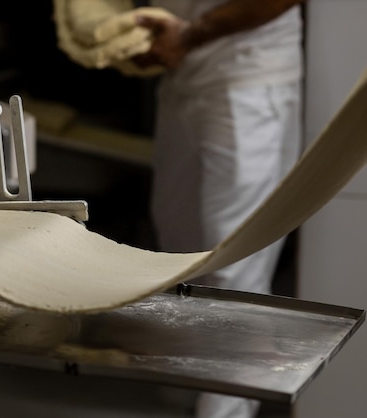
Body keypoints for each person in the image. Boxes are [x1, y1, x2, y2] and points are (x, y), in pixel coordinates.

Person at [130, 1, 307, 417]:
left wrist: (190, 34)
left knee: (234, 273)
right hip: (184, 77)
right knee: (179, 256)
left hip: (249, 82)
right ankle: (189, 394)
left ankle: (223, 412)